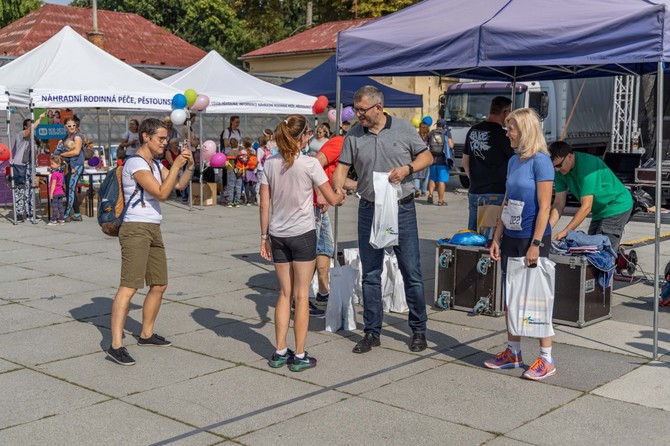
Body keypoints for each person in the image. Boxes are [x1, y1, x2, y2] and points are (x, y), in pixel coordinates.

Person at [332, 85, 432, 354]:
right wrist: (338, 188)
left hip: (402, 209)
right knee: (371, 274)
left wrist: (408, 168)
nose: (358, 115)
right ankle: (372, 332)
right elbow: (342, 166)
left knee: (411, 271)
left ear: (378, 107)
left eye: (362, 110)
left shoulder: (403, 129)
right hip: (370, 209)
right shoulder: (354, 133)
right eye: (355, 110)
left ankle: (419, 330)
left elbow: (427, 156)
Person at [260, 114, 345, 372]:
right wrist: (340, 195)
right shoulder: (309, 164)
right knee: (301, 296)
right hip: (302, 234)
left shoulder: (270, 163)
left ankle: (279, 351)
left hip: (278, 233)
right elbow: (330, 197)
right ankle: (298, 355)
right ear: (304, 136)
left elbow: (265, 203)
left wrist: (263, 237)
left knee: (284, 294)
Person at [107, 118, 195, 366]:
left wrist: (188, 166)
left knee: (159, 283)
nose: (165, 142)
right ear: (146, 137)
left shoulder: (155, 164)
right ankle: (116, 345)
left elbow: (178, 186)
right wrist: (176, 163)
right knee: (129, 285)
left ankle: (146, 333)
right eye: (161, 138)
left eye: (166, 138)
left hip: (153, 227)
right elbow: (161, 193)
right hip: (135, 228)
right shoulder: (136, 163)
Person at [485, 108, 556, 381]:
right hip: (511, 236)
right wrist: (496, 236)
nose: (507, 132)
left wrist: (536, 243)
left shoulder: (542, 162)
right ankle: (513, 351)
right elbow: (506, 199)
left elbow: (545, 206)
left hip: (532, 237)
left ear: (525, 130)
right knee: (511, 294)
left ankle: (546, 358)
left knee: (537, 296)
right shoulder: (514, 161)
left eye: (511, 128)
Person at [549, 141, 633, 254]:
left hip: (616, 205)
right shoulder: (559, 171)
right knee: (590, 248)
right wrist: (546, 229)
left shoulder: (587, 166)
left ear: (569, 156)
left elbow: (586, 207)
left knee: (603, 251)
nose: (557, 170)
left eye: (559, 165)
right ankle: (619, 259)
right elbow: (558, 204)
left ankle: (612, 265)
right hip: (599, 209)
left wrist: (566, 231)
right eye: (554, 167)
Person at [312, 135, 358, 308]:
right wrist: (321, 193)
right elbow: (316, 164)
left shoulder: (349, 150)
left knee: (325, 248)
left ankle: (323, 293)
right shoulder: (341, 142)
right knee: (309, 253)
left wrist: (364, 185)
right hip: (313, 202)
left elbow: (337, 178)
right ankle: (298, 299)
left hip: (321, 206)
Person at [462, 96, 514, 231]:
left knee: (472, 236)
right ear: (505, 113)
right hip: (496, 192)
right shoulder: (504, 136)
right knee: (490, 241)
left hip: (475, 191)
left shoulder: (473, 131)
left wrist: (473, 179)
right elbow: (515, 163)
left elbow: (465, 160)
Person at [12, 113, 46, 223]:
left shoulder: (34, 140)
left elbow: (35, 155)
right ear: (26, 127)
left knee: (30, 190)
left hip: (30, 167)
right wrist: (39, 119)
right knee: (20, 190)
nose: (33, 128)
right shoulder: (22, 134)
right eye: (30, 125)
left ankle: (31, 213)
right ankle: (20, 214)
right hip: (21, 166)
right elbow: (30, 130)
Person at [59, 117, 85, 222]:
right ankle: (77, 213)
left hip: (77, 165)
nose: (72, 127)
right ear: (65, 127)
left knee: (70, 189)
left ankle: (66, 214)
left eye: (74, 125)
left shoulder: (77, 136)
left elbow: (76, 152)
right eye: (69, 126)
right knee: (70, 189)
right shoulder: (66, 137)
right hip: (68, 165)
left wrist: (62, 154)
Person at [426, 119, 455, 206]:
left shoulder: (431, 133)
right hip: (443, 161)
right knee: (441, 181)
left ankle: (430, 195)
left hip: (432, 160)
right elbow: (451, 145)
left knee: (432, 178)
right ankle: (440, 200)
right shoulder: (446, 133)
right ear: (444, 125)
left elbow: (426, 144)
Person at [413, 121, 431, 198]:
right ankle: (423, 191)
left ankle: (417, 189)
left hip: (417, 157)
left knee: (416, 175)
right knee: (426, 176)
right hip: (426, 157)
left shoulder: (416, 135)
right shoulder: (430, 136)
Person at [47, 155, 66, 225]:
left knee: (54, 206)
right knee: (60, 206)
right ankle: (61, 219)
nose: (51, 165)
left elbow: (53, 184)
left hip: (55, 192)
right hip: (60, 191)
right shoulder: (61, 172)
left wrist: (51, 193)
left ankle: (54, 220)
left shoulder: (54, 174)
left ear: (58, 164)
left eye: (52, 164)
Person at [224, 138, 242, 207]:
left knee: (230, 186)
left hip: (230, 171)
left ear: (230, 145)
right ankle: (237, 201)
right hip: (239, 171)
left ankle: (230, 201)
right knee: (238, 186)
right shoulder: (239, 153)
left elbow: (226, 164)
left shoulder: (229, 153)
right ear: (237, 144)